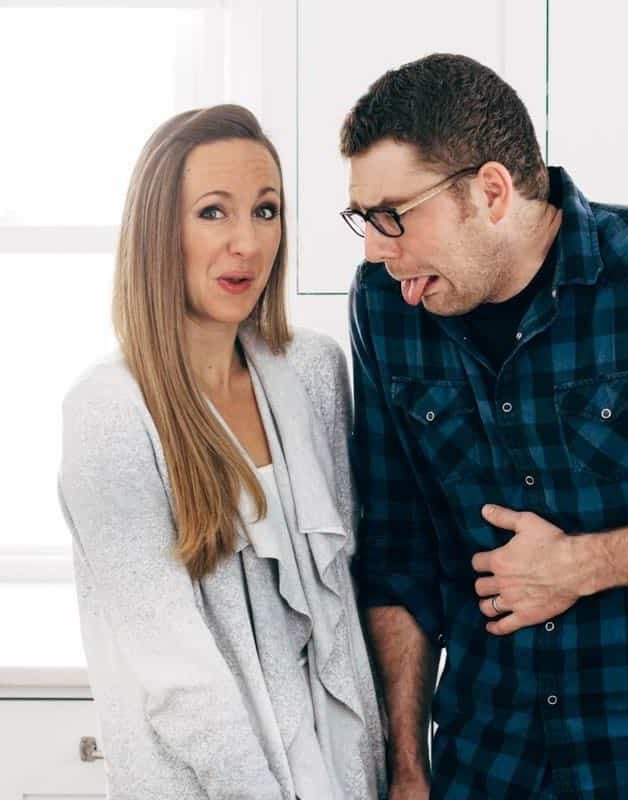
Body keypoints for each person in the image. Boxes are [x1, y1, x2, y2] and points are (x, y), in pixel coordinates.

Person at [339, 53, 628, 799]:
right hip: (491, 762)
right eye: (363, 218)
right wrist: (406, 768)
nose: (374, 248)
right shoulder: (387, 306)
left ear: (489, 191)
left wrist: (584, 564)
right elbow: (400, 551)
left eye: (394, 215)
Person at [58, 104, 387, 800]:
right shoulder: (110, 412)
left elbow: (342, 612)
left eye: (266, 211)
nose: (247, 242)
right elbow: (177, 674)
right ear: (157, 231)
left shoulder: (313, 374)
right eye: (213, 212)